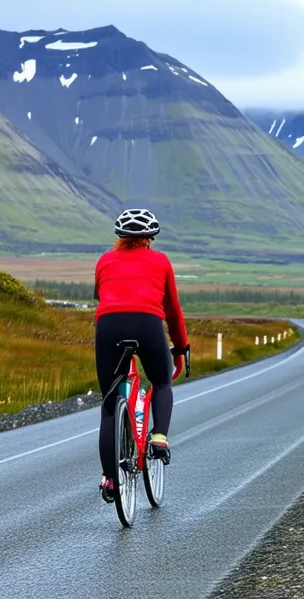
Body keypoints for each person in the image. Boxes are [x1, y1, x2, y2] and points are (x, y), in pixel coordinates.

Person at [93, 208, 188, 492]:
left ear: (120, 237)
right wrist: (180, 348)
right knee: (160, 382)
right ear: (149, 238)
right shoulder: (160, 261)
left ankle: (109, 480)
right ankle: (159, 436)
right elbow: (172, 310)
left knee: (109, 406)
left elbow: (101, 296)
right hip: (148, 324)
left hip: (108, 326)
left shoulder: (104, 261)